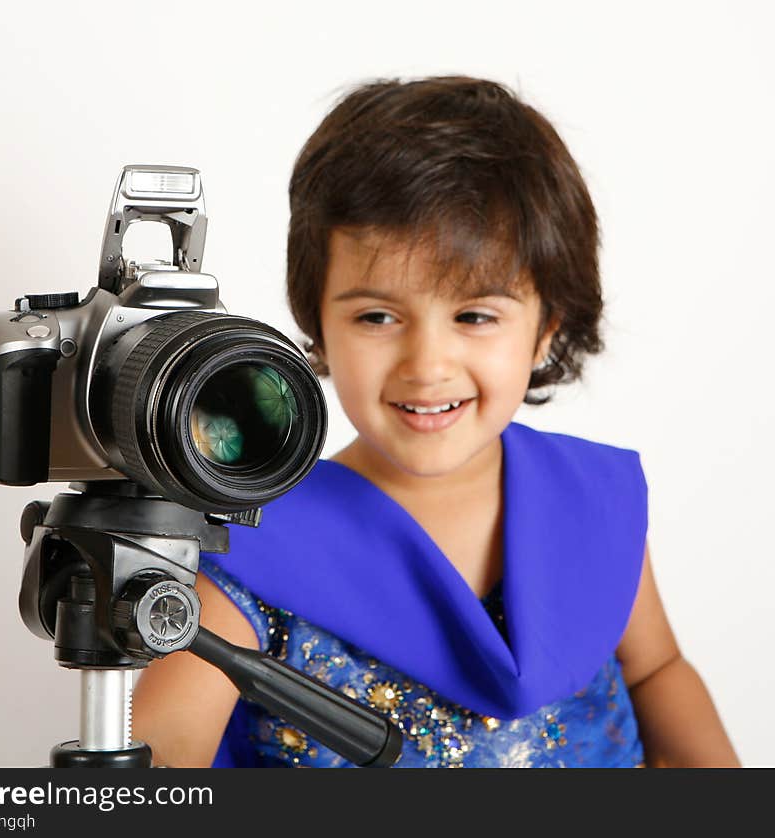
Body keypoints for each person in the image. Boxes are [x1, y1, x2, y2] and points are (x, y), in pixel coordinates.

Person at [131, 76, 741, 768]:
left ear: (545, 330)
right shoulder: (253, 544)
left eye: (475, 315)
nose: (426, 364)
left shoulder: (589, 498)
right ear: (317, 329)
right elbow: (163, 755)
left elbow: (655, 671)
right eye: (377, 317)